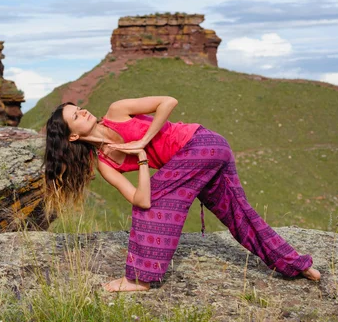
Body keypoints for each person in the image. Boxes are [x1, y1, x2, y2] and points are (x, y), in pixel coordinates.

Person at [44, 96, 321, 292]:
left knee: (161, 199)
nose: (83, 112)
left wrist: (143, 139)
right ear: (72, 137)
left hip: (202, 143)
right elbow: (141, 200)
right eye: (75, 116)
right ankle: (295, 265)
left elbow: (169, 101)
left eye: (79, 108)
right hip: (199, 161)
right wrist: (141, 158)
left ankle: (139, 279)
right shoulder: (106, 164)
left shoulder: (117, 111)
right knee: (237, 215)